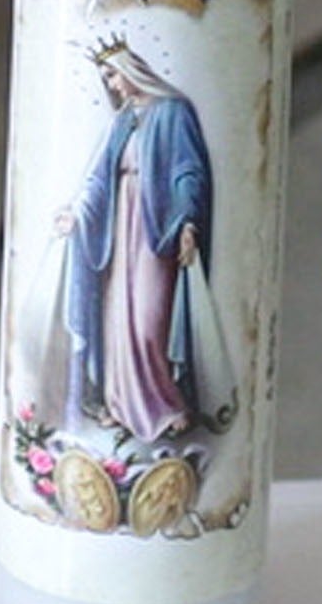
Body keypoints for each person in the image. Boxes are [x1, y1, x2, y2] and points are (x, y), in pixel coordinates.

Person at [54, 39, 230, 442]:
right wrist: (77, 213)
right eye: (107, 79)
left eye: (113, 75)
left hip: (156, 227)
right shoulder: (122, 121)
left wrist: (187, 222)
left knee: (150, 318)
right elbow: (99, 178)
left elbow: (188, 171)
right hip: (121, 227)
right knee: (118, 317)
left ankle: (166, 404)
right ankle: (120, 405)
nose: (113, 85)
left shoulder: (174, 111)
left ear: (130, 69)